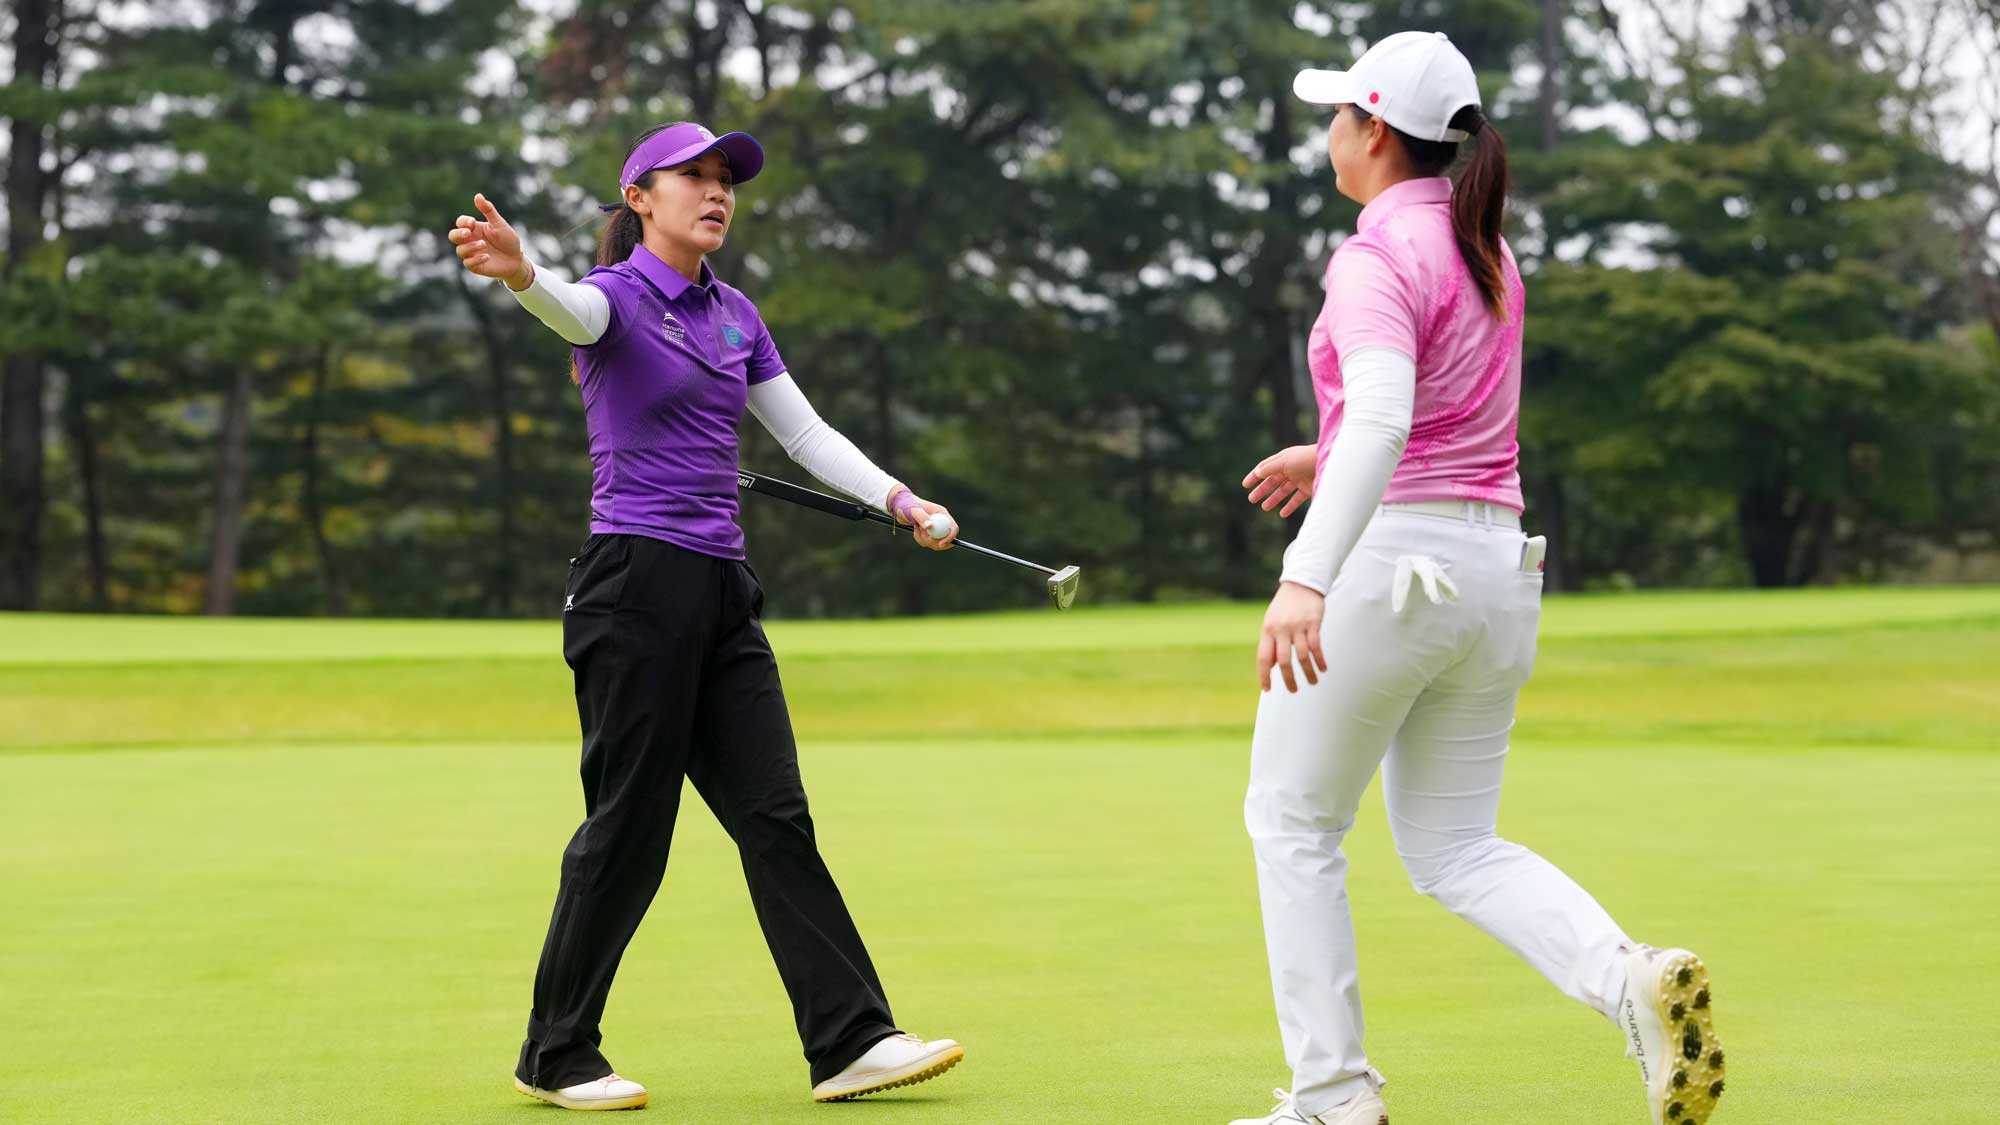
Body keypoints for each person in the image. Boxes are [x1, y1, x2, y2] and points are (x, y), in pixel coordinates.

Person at [1230, 33, 1726, 1125]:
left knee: (1293, 824)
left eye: (1337, 114)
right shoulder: (1484, 245)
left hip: (1390, 570)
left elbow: (1390, 416)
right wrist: (1327, 449)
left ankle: (1332, 1098)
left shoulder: (1372, 254)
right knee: (1455, 845)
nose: (1328, 132)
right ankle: (1628, 980)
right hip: (1494, 571)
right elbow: (1434, 414)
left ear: (1371, 130)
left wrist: (1305, 575)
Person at [448, 121, 965, 1112]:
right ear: (640, 197)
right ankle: (555, 1052)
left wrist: (899, 499)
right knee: (630, 828)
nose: (716, 191)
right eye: (694, 176)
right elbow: (567, 310)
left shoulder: (735, 314)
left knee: (776, 817)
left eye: (726, 178)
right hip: (633, 589)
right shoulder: (613, 297)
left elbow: (804, 433)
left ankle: (851, 1039)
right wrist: (521, 273)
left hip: (723, 592)